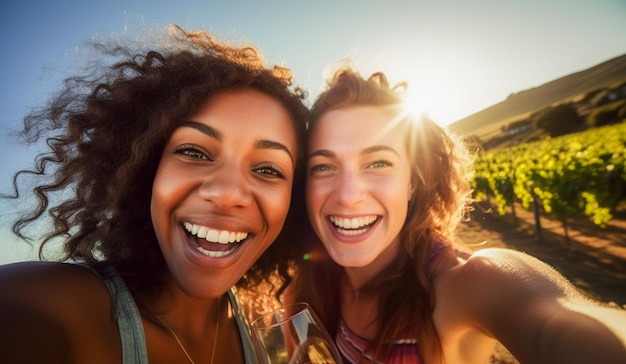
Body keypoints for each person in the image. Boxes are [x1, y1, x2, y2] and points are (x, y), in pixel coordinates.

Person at [0, 25, 308, 363]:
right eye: (194, 152)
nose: (226, 193)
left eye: (268, 170)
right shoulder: (60, 305)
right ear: (146, 171)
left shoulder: (255, 321)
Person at [290, 66, 626, 363]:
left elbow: (552, 327)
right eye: (323, 166)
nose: (348, 196)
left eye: (378, 163)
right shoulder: (313, 279)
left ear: (412, 183)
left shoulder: (461, 285)